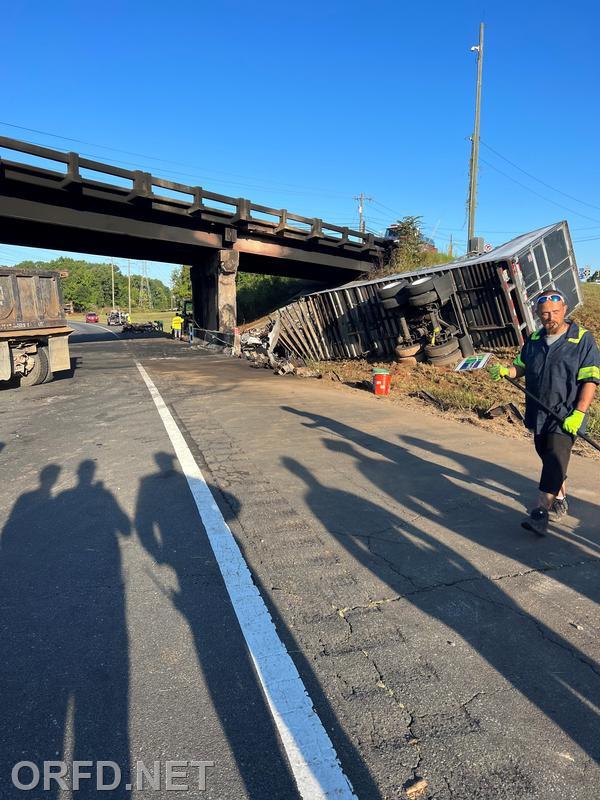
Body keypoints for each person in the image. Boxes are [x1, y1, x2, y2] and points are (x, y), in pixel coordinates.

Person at [489, 289, 599, 534]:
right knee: (546, 455)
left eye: (555, 312)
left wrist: (579, 412)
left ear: (565, 309)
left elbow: (590, 379)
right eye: (544, 313)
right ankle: (559, 498)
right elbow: (522, 367)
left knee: (554, 457)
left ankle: (540, 513)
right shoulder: (535, 338)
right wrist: (508, 372)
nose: (550, 317)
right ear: (538, 314)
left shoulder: (582, 339)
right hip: (538, 412)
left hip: (566, 413)